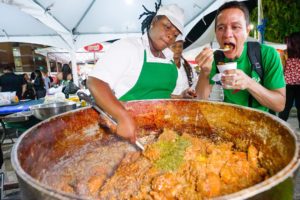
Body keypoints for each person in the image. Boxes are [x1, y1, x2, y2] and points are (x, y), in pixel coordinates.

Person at [87, 3, 184, 143]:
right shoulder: (129, 47)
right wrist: (122, 116)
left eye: (175, 35)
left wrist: (181, 97)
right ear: (154, 22)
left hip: (162, 135)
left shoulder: (170, 62)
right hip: (126, 135)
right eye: (167, 26)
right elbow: (95, 81)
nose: (170, 35)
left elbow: (166, 97)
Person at [195, 1, 285, 112]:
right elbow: (199, 100)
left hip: (259, 123)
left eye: (235, 27)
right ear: (216, 32)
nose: (227, 34)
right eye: (221, 28)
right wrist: (205, 72)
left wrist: (249, 83)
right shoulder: (214, 59)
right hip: (228, 121)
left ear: (247, 31)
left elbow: (279, 105)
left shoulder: (267, 54)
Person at [279, 32, 300, 129]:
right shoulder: (285, 53)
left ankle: (280, 130)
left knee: (285, 110)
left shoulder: (285, 53)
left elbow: (281, 69)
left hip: (287, 86)